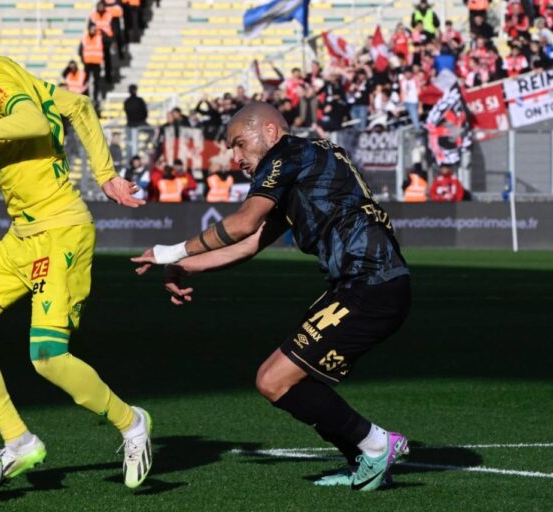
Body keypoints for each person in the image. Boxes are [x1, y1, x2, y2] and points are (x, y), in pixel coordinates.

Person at [0, 3, 152, 489]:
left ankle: (133, 423)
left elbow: (33, 124)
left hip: (58, 231)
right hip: (22, 236)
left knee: (47, 357)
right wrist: (106, 177)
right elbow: (78, 106)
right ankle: (18, 441)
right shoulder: (8, 79)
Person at [132, 102, 411, 491]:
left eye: (239, 144)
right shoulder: (308, 165)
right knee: (281, 380)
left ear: (270, 131)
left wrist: (170, 252)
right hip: (362, 284)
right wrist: (185, 267)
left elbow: (244, 221)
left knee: (274, 380)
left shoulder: (289, 154)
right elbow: (248, 243)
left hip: (371, 283)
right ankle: (366, 458)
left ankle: (377, 445)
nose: (235, 158)